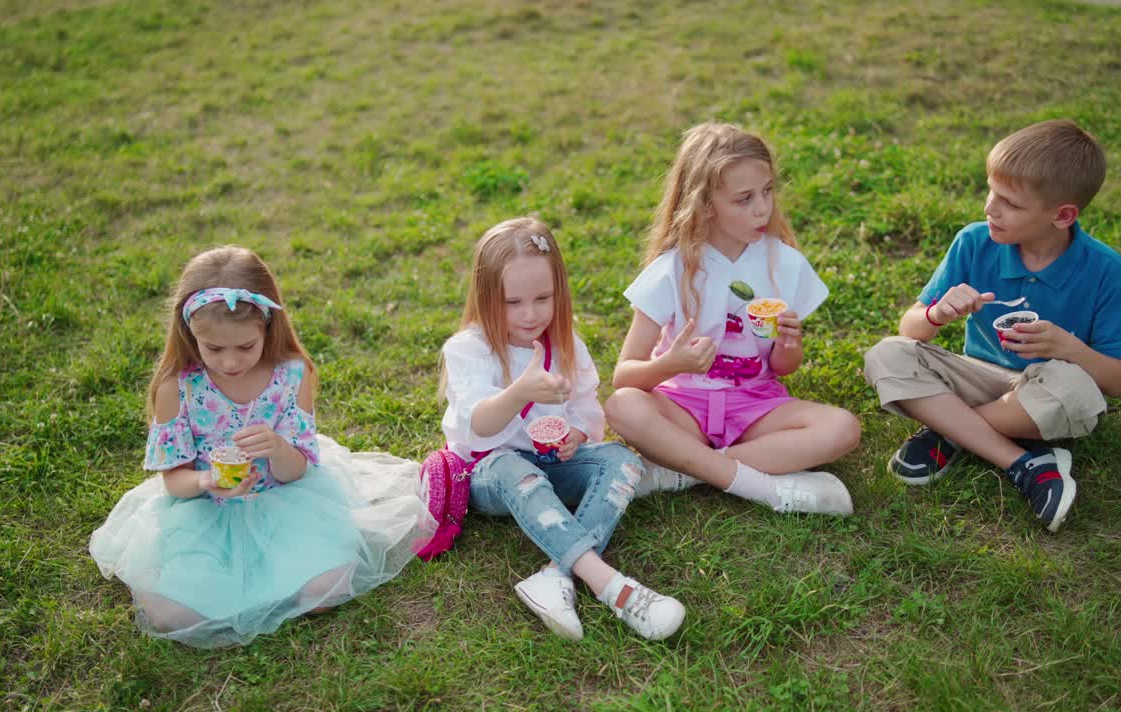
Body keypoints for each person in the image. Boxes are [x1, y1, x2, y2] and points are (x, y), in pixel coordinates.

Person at [89, 246, 436, 647]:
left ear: (268, 327)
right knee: (174, 615)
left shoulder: (291, 374)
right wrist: (206, 481)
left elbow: (297, 471)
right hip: (203, 512)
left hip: (287, 498)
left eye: (246, 347)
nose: (231, 362)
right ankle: (235, 585)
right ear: (190, 333)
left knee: (329, 589)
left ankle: (278, 580)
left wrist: (277, 448)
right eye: (214, 349)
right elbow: (174, 482)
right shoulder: (178, 387)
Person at [863, 119, 1121, 532]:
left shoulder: (1104, 269)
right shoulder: (974, 241)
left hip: (1044, 388)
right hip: (976, 375)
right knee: (886, 354)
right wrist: (936, 315)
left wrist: (1067, 347)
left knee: (1077, 391)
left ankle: (948, 429)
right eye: (992, 191)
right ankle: (1027, 463)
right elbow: (910, 329)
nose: (990, 207)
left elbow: (1117, 381)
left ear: (1062, 215)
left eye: (1010, 202)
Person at [440, 217, 685, 641]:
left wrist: (577, 434)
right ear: (484, 298)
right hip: (489, 474)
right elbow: (477, 425)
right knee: (518, 470)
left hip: (553, 465)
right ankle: (609, 584)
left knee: (622, 461)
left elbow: (587, 406)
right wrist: (520, 393)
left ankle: (554, 576)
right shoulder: (470, 349)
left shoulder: (566, 343)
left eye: (543, 298)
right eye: (512, 303)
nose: (530, 314)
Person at [604, 122, 858, 515]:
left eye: (767, 191)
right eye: (744, 199)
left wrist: (790, 345)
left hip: (755, 404)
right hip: (684, 405)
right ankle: (759, 484)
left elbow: (782, 368)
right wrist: (672, 363)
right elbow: (624, 376)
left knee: (843, 428)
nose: (762, 207)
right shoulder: (672, 270)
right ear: (705, 205)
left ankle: (684, 472)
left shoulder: (783, 263)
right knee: (624, 406)